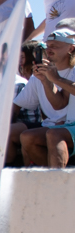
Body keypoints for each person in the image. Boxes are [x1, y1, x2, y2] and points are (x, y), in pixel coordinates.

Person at [19, 28, 75, 167]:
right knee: (27, 137)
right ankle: (55, 180)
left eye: (54, 46)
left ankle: (57, 183)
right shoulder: (60, 71)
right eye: (48, 46)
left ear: (71, 48)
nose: (49, 50)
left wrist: (56, 79)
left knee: (54, 135)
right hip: (70, 123)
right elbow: (60, 104)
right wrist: (46, 81)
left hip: (69, 125)